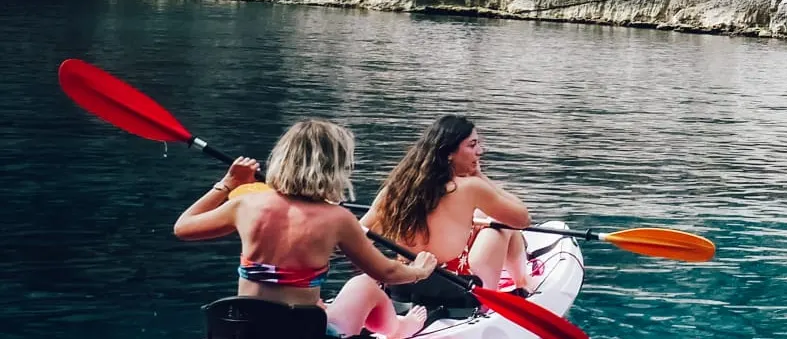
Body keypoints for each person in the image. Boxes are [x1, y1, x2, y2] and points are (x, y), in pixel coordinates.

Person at [174, 118, 438, 338]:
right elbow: (387, 271)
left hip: (244, 330)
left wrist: (228, 183)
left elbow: (183, 227)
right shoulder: (337, 218)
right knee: (365, 285)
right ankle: (401, 329)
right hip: (300, 330)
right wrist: (419, 271)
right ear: (333, 168)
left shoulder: (246, 204)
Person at [364, 115, 534, 300]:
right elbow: (522, 220)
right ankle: (520, 285)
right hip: (457, 291)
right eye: (472, 145)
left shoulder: (396, 189)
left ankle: (520, 283)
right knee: (500, 225)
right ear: (449, 153)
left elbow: (359, 235)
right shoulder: (470, 187)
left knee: (483, 220)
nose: (480, 151)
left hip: (402, 287)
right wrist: (482, 178)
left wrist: (379, 269)